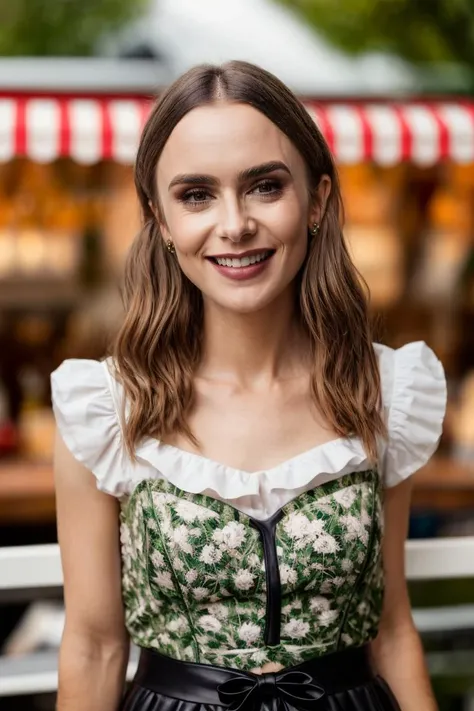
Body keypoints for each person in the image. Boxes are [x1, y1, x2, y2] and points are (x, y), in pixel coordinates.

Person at [51, 60, 447, 711]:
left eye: (264, 187)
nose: (233, 224)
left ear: (317, 198)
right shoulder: (106, 405)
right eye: (197, 195)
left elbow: (393, 630)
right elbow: (94, 644)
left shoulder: (383, 390)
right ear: (159, 217)